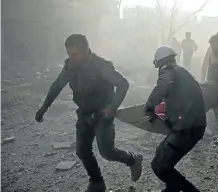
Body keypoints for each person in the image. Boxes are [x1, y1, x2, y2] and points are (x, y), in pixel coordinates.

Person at [35, 34, 143, 192]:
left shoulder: (102, 66)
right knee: (82, 151)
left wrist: (112, 108)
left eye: (75, 54)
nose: (72, 58)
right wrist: (45, 107)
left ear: (86, 50)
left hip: (102, 115)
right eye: (69, 54)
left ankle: (133, 159)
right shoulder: (70, 66)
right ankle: (97, 182)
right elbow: (57, 85)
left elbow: (123, 84)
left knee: (107, 152)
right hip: (84, 114)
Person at [145, 46, 206, 192]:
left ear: (159, 62)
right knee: (160, 152)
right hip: (192, 125)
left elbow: (163, 86)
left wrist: (150, 105)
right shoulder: (182, 72)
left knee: (159, 166)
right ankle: (172, 188)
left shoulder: (168, 71)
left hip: (187, 128)